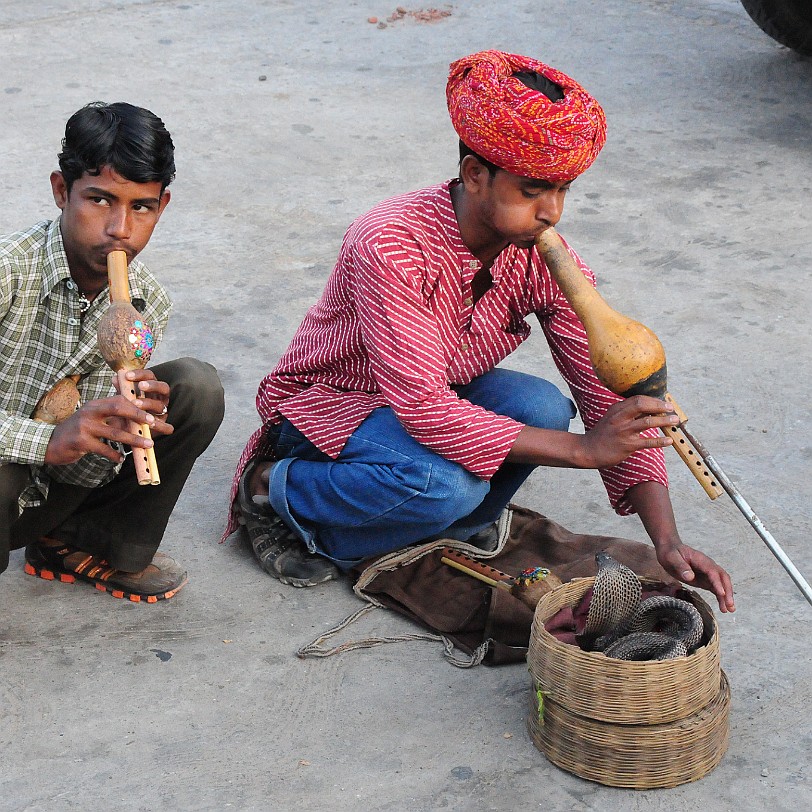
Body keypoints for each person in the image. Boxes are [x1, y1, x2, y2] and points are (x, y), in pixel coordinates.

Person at [224, 50, 735, 612]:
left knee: (542, 406)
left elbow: (606, 394)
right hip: (329, 408)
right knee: (443, 486)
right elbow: (422, 407)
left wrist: (666, 540)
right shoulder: (390, 241)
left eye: (563, 190)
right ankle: (273, 488)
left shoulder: (541, 254)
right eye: (534, 190)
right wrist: (583, 451)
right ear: (475, 174)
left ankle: (420, 527)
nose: (552, 213)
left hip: (422, 405)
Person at [0, 101, 224, 602]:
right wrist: (46, 440)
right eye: (100, 200)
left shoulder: (147, 302)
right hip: (4, 480)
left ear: (162, 206)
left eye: (141, 207)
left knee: (196, 388)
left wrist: (125, 427)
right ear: (62, 191)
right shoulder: (7, 274)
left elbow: (88, 457)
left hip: (56, 492)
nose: (120, 228)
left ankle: (78, 544)